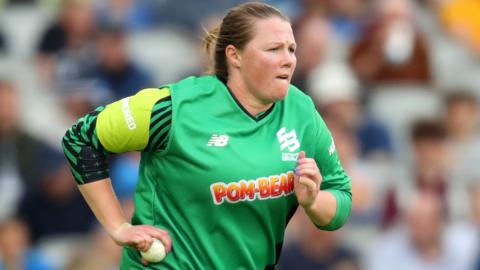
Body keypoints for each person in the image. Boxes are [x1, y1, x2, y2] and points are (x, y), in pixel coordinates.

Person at [61, 2, 352, 269]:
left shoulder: (301, 111)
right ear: (234, 55)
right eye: (274, 49)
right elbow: (81, 137)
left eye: (292, 49)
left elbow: (340, 199)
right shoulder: (175, 108)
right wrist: (117, 227)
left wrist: (313, 202)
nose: (288, 59)